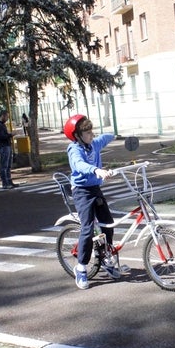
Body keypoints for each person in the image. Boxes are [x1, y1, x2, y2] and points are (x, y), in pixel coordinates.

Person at [64, 114, 118, 289]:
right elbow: (79, 165)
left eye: (91, 131)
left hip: (95, 189)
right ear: (77, 135)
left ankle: (106, 258)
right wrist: (96, 170)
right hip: (81, 192)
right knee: (87, 229)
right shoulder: (74, 149)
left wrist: (115, 135)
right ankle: (80, 268)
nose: (91, 135)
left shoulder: (93, 144)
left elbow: (105, 137)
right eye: (87, 132)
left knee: (108, 223)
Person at [0, 110, 17, 189]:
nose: (7, 118)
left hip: (7, 145)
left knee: (8, 165)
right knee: (4, 165)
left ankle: (9, 181)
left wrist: (9, 134)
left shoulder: (2, 124)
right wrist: (10, 134)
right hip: (3, 146)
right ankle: (5, 183)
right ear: (3, 116)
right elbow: (1, 136)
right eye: (7, 116)